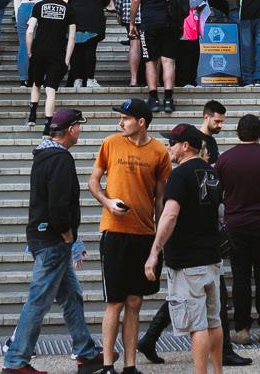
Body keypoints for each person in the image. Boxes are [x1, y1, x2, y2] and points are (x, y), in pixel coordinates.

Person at [1, 107, 106, 374]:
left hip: (43, 236)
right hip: (53, 240)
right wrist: (68, 235)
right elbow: (59, 204)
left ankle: (86, 352)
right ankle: (15, 362)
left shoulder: (43, 155)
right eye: (78, 126)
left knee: (72, 296)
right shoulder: (60, 159)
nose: (80, 131)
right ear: (70, 129)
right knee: (39, 300)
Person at [89, 98, 169, 374]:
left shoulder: (159, 152)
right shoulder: (111, 143)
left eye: (125, 118)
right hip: (114, 232)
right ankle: (108, 365)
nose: (120, 122)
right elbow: (93, 180)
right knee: (115, 302)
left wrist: (158, 240)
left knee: (135, 302)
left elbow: (160, 200)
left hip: (144, 235)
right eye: (121, 118)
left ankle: (130, 365)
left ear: (141, 122)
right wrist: (107, 202)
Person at [144, 124, 226, 374]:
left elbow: (169, 215)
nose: (168, 147)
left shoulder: (179, 175)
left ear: (185, 146)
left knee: (197, 326)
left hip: (188, 261)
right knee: (214, 321)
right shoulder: (212, 173)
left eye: (172, 143)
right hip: (212, 258)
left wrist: (154, 252)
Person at [215, 114, 260, 345]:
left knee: (240, 277)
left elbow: (216, 194)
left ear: (238, 132)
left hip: (236, 226)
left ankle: (242, 329)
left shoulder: (225, 159)